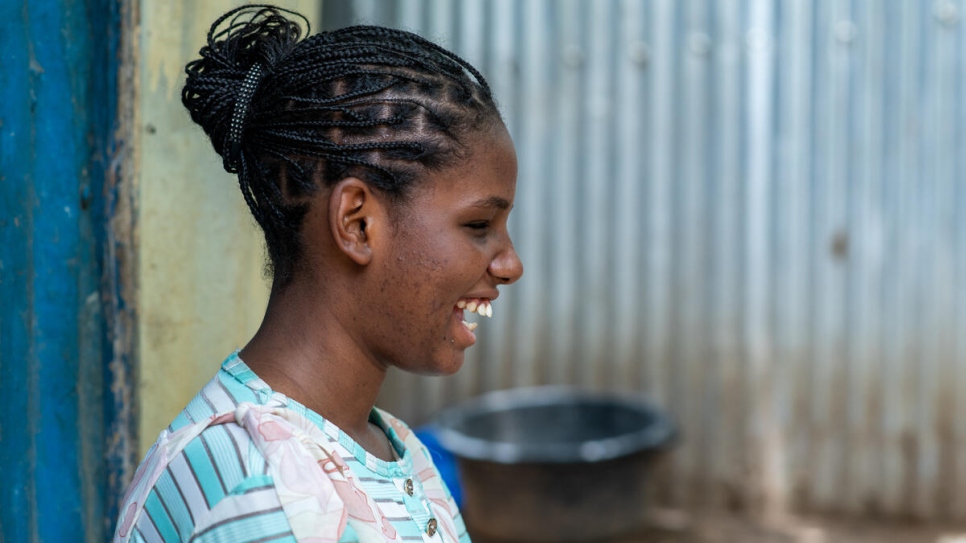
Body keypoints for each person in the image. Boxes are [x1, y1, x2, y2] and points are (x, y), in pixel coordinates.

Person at [113, 5, 523, 542]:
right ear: (357, 223)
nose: (509, 263)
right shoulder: (259, 487)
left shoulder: (395, 449)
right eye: (478, 224)